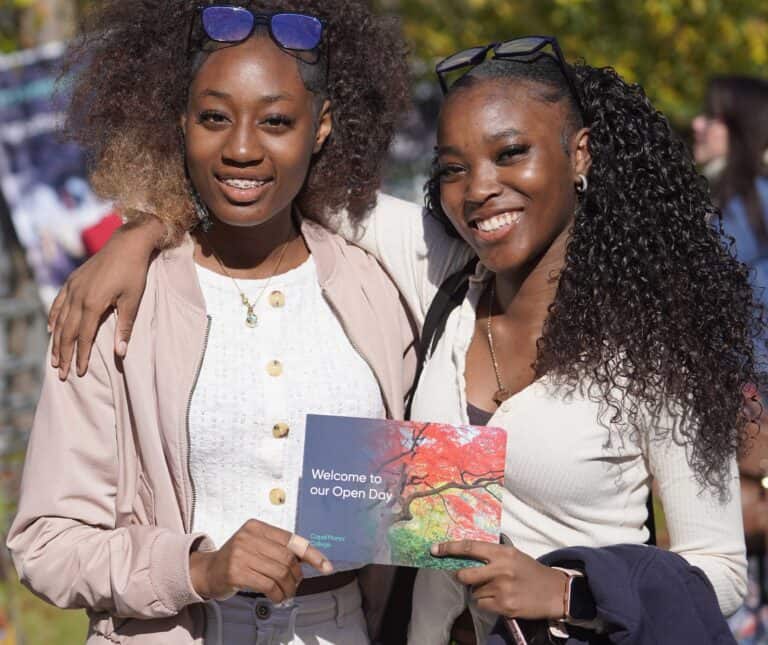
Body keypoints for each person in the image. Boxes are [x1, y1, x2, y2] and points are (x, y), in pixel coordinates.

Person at [44, 36, 758, 644]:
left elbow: (721, 571)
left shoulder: (655, 351)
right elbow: (267, 177)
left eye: (511, 154)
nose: (480, 189)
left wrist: (565, 589)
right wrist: (140, 232)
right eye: (453, 168)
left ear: (580, 154)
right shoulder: (441, 283)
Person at [7, 2, 417, 644]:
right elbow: (46, 543)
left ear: (322, 127)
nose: (243, 147)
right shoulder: (116, 304)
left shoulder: (381, 287)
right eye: (214, 118)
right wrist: (198, 568)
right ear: (181, 124)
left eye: (277, 120)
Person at [693, 75, 768, 645]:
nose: (698, 125)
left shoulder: (738, 209)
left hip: (745, 411)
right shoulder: (732, 202)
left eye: (712, 117)